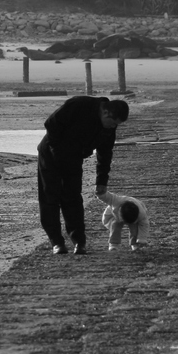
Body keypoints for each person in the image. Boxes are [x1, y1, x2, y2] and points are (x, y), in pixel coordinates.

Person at [37, 96, 129, 255]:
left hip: (74, 158)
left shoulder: (108, 128)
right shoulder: (79, 104)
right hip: (50, 155)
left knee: (72, 197)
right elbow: (51, 124)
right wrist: (57, 152)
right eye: (113, 123)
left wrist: (101, 181)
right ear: (106, 113)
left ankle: (79, 242)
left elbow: (105, 154)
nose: (113, 127)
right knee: (50, 198)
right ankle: (57, 242)